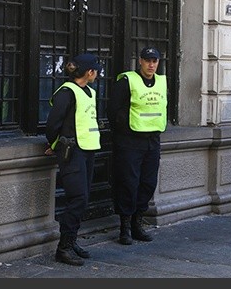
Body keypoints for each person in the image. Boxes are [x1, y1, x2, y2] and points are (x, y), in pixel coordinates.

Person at [44, 53, 104, 266]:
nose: (97, 73)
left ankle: (72, 240)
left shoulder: (90, 92)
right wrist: (54, 146)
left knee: (83, 198)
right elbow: (52, 125)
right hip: (72, 152)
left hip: (87, 150)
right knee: (77, 199)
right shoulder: (66, 93)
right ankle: (64, 248)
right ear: (89, 72)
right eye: (95, 70)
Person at [108, 46, 167, 245]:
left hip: (152, 140)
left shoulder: (161, 81)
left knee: (148, 183)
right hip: (130, 141)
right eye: (148, 60)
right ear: (139, 61)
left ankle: (137, 222)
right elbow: (113, 110)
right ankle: (125, 227)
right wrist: (123, 132)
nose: (151, 65)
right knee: (128, 183)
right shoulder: (127, 81)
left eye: (155, 61)